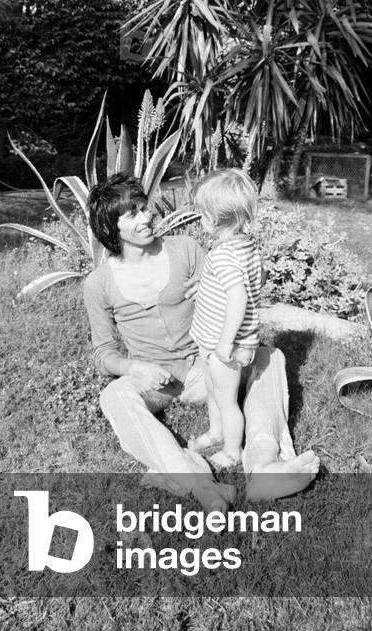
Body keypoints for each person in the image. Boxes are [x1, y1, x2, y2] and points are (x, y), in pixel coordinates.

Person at [83, 173, 319, 512]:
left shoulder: (184, 249)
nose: (147, 217)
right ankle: (198, 482)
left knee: (270, 357)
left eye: (145, 207)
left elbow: (232, 292)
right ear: (110, 227)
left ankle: (265, 463)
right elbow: (103, 353)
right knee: (113, 395)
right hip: (156, 382)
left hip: (207, 368)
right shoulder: (99, 283)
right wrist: (135, 367)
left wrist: (208, 298)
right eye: (133, 213)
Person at [188, 169, 261, 469]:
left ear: (212, 219)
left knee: (227, 400)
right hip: (216, 340)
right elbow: (250, 283)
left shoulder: (222, 256)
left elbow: (238, 298)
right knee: (212, 387)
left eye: (201, 214)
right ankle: (216, 432)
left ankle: (232, 451)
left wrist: (225, 343)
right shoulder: (244, 246)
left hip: (226, 343)